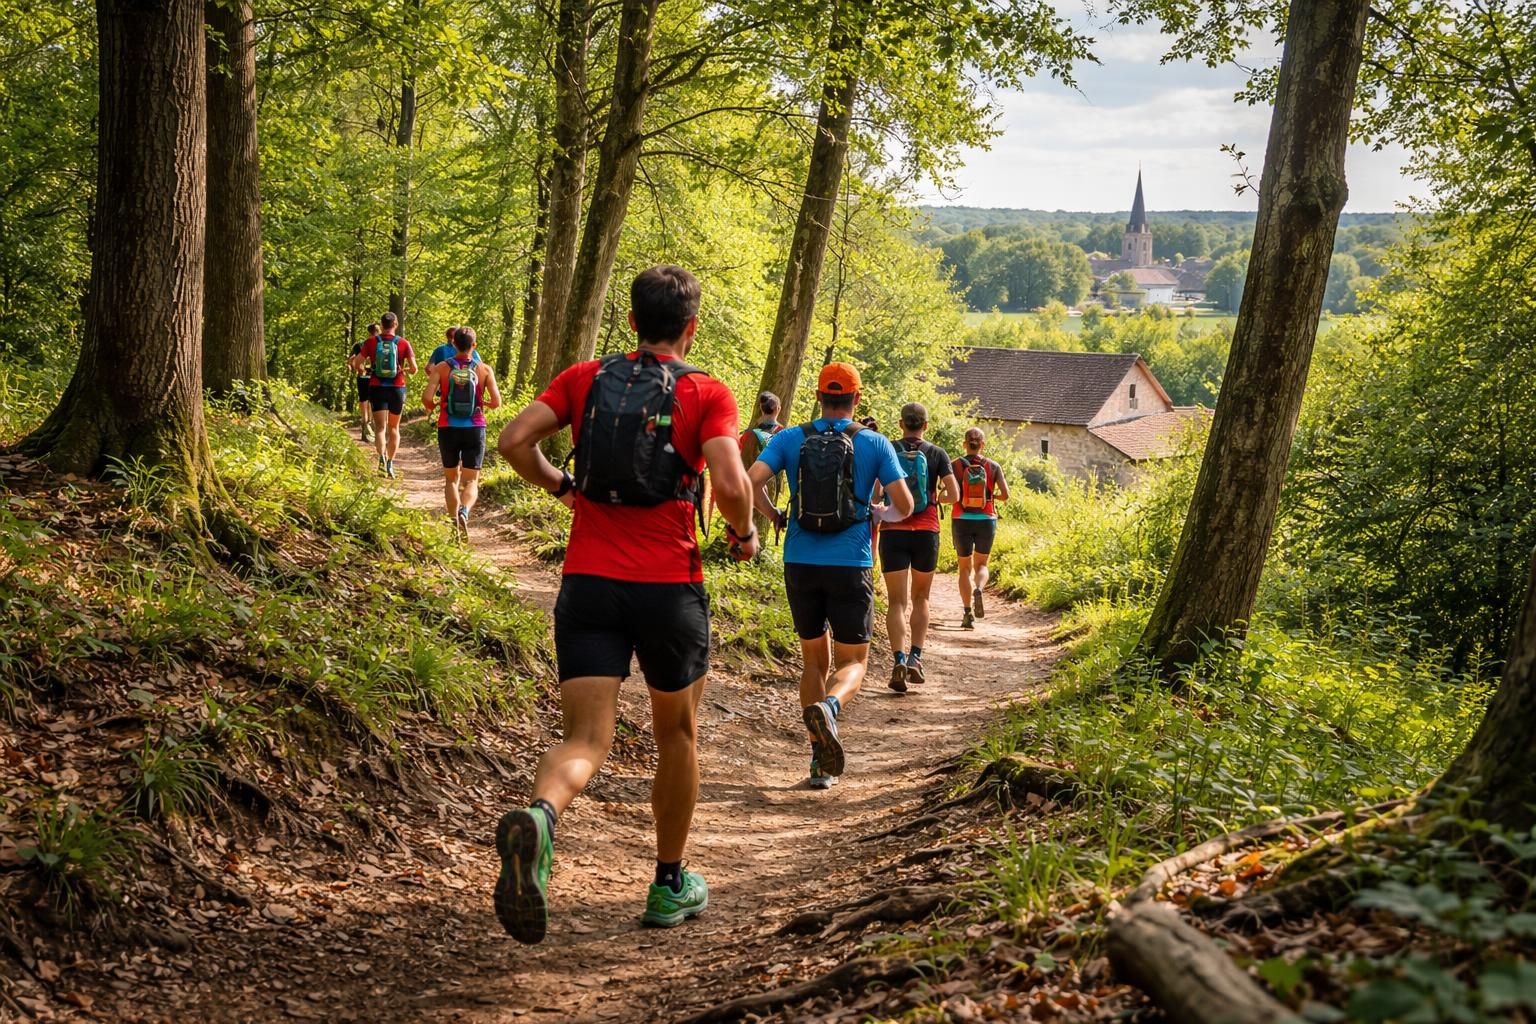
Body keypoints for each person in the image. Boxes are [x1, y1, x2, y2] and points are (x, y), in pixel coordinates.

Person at [493, 265, 758, 944]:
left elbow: (513, 441)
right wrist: (743, 530)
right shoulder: (705, 391)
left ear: (631, 322)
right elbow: (729, 480)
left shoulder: (584, 378)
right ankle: (669, 884)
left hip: (588, 583)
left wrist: (562, 488)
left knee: (584, 739)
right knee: (677, 735)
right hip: (669, 588)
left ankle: (543, 818)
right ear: (690, 327)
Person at [748, 364, 912, 789]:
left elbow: (749, 482)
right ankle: (833, 708)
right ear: (856, 400)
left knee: (813, 662)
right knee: (854, 661)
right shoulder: (875, 443)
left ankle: (818, 760)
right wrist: (881, 513)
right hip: (851, 563)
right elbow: (906, 506)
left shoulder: (789, 438)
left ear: (818, 397)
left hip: (800, 561)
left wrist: (775, 515)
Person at [872, 403, 958, 693]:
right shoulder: (937, 454)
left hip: (894, 531)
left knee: (897, 602)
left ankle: (897, 657)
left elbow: (876, 493)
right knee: (921, 598)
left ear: (900, 424)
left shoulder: (888, 449)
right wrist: (934, 500)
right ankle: (915, 659)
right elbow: (955, 494)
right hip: (927, 531)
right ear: (926, 425)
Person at [422, 326, 502, 537]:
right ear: (474, 345)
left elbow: (427, 399)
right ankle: (464, 512)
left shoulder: (441, 367)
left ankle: (452, 525)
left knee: (451, 479)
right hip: (475, 428)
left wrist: (438, 405)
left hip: (447, 427)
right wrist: (482, 402)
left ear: (454, 344)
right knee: (471, 480)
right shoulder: (484, 369)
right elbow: (496, 402)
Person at [952, 426, 1010, 630]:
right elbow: (1005, 495)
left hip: (961, 519)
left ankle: (967, 613)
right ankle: (979, 588)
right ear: (983, 444)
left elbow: (948, 493)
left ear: (964, 444)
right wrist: (988, 496)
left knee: (964, 568)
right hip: (986, 519)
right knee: (982, 565)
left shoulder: (955, 465)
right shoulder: (993, 466)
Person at [348, 312, 417, 477]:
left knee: (380, 428)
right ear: (396, 324)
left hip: (377, 387)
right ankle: (391, 463)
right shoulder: (403, 343)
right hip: (397, 388)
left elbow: (357, 363)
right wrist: (403, 369)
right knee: (394, 428)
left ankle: (381, 458)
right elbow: (414, 369)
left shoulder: (371, 342)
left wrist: (365, 370)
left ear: (382, 324)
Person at [350, 323, 379, 443]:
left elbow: (351, 360)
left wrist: (355, 368)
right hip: (375, 377)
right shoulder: (381, 344)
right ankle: (372, 428)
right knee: (374, 404)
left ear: (368, 332)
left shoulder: (359, 345)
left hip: (362, 377)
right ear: (378, 330)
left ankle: (365, 426)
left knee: (364, 404)